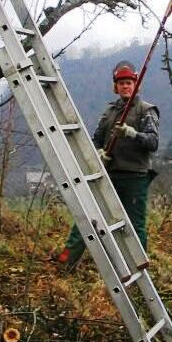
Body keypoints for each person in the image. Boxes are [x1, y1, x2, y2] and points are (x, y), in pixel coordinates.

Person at [52, 60, 159, 268]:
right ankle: (66, 261)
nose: (125, 86)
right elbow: (96, 138)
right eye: (121, 83)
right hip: (108, 174)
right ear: (115, 87)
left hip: (135, 177)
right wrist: (99, 153)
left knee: (134, 226)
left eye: (129, 82)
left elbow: (153, 142)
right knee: (88, 218)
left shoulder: (147, 110)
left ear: (136, 85)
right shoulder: (110, 111)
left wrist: (132, 133)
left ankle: (139, 267)